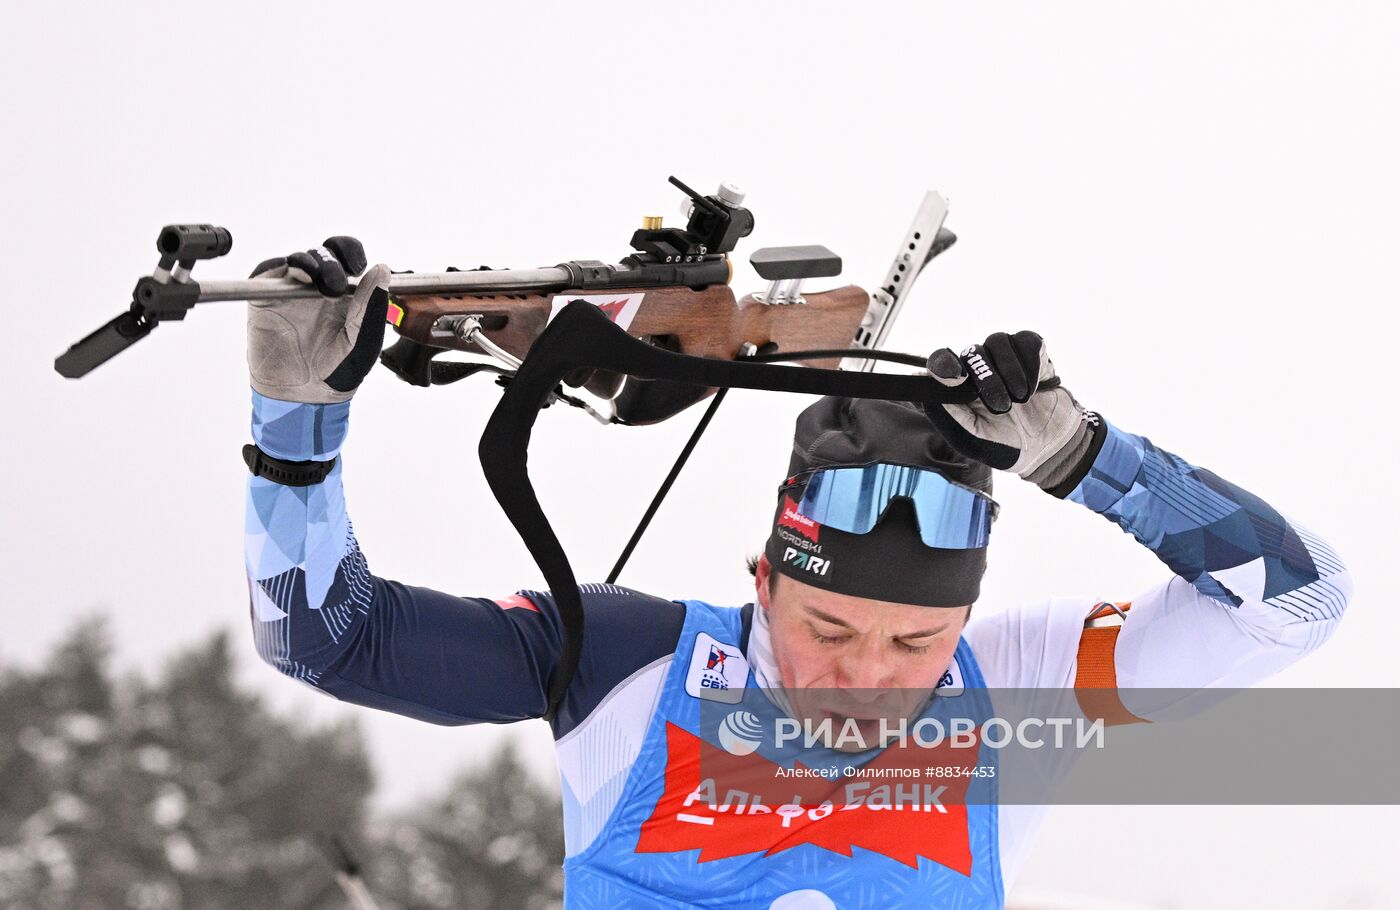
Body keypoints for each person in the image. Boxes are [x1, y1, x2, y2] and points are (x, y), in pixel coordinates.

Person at [243, 239, 1351, 909]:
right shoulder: (630, 662)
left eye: (916, 643)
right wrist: (296, 424)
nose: (864, 678)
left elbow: (1294, 599)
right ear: (761, 580)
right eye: (827, 626)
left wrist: (1086, 459)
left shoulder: (1013, 688)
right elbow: (326, 636)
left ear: (964, 618)